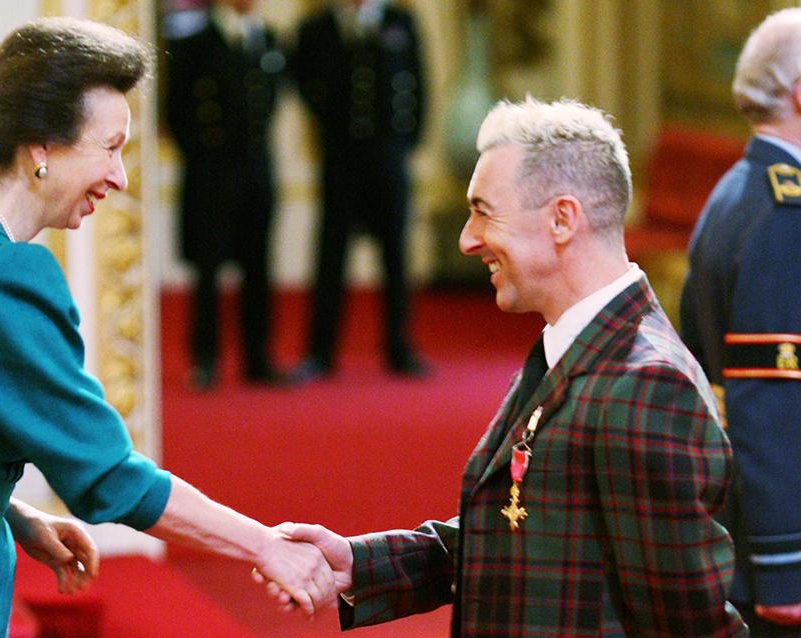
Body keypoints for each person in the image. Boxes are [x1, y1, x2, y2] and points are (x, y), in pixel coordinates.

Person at [0, 17, 335, 637]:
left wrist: (15, 514)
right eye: (111, 147)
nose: (120, 177)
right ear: (42, 146)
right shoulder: (2, 273)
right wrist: (265, 546)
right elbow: (107, 476)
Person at [260, 97, 748, 636]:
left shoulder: (646, 385)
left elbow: (688, 623)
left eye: (483, 211)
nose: (467, 239)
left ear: (563, 219)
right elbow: (527, 531)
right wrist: (360, 563)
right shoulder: (579, 345)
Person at [680, 8, 801, 635]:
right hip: (780, 550)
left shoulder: (736, 189)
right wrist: (786, 567)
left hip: (740, 523)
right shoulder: (785, 215)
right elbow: (770, 401)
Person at [290, 0, 428, 381]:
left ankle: (399, 347)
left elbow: (418, 82)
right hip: (340, 158)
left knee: (395, 255)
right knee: (331, 255)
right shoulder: (316, 28)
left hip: (388, 155)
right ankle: (320, 352)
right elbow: (303, 80)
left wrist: (406, 142)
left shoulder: (401, 22)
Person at [165, 0, 286, 390]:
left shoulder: (267, 38)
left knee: (259, 266)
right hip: (212, 171)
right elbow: (175, 110)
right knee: (208, 268)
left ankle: (257, 357)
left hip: (257, 169)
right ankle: (205, 359)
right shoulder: (195, 41)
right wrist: (204, 156)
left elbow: (271, 99)